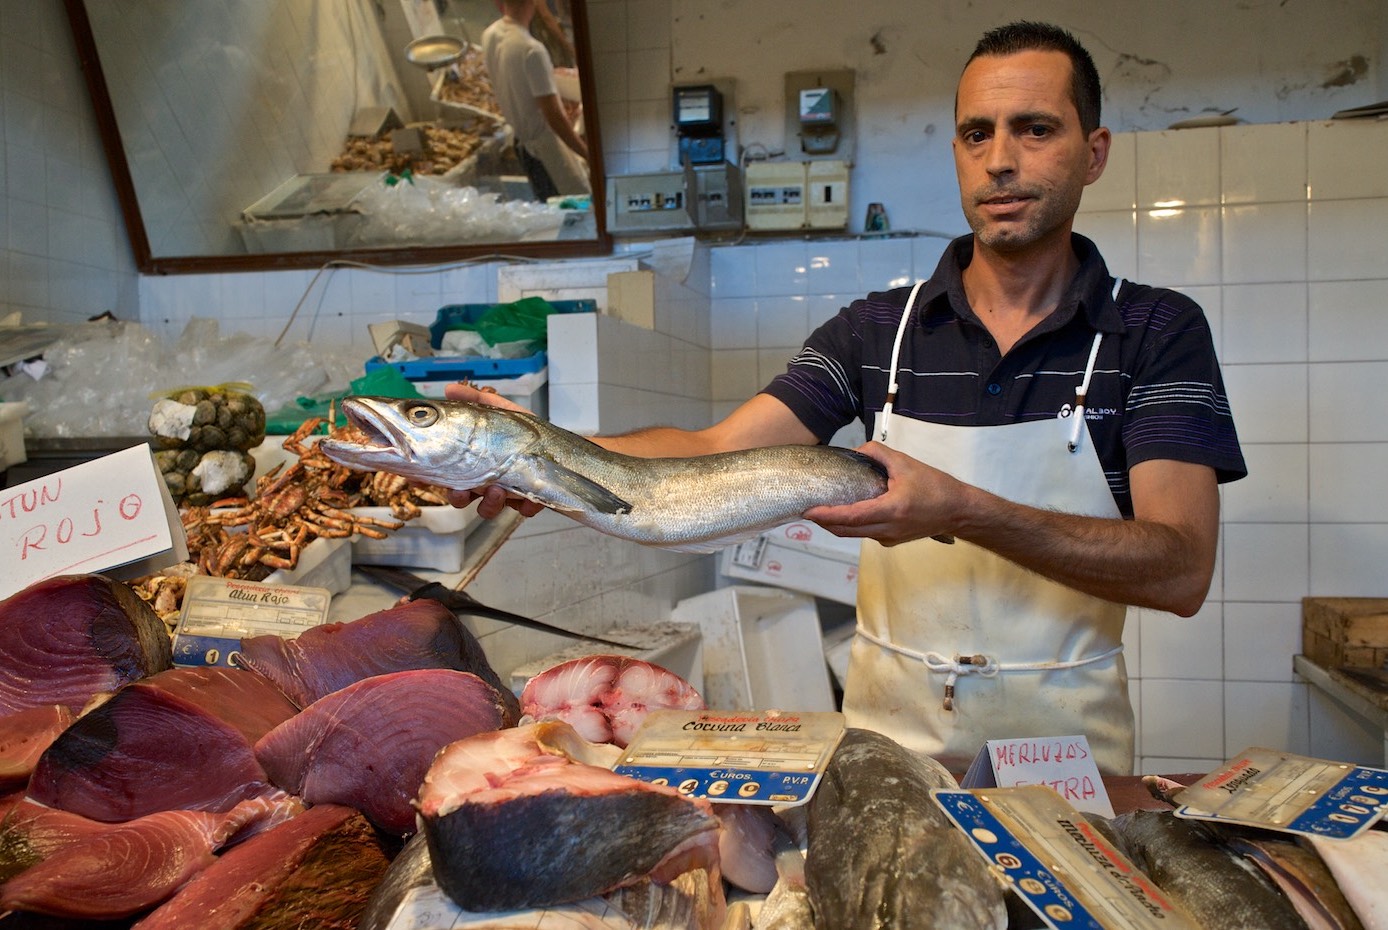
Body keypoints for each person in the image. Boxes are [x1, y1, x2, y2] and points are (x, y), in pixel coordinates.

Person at [448, 20, 1245, 775]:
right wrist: (536, 451)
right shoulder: (878, 331)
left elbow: (1178, 571)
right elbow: (715, 453)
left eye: (1035, 129)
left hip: (1074, 768)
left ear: (1093, 152)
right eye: (977, 133)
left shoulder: (1153, 331)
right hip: (886, 756)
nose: (1000, 160)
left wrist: (964, 510)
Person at [481, 0, 590, 201]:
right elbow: (554, 118)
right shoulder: (532, 50)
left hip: (523, 145)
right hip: (548, 153)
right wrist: (587, 154)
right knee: (571, 209)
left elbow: (517, 87)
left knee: (546, 204)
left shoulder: (490, 34)